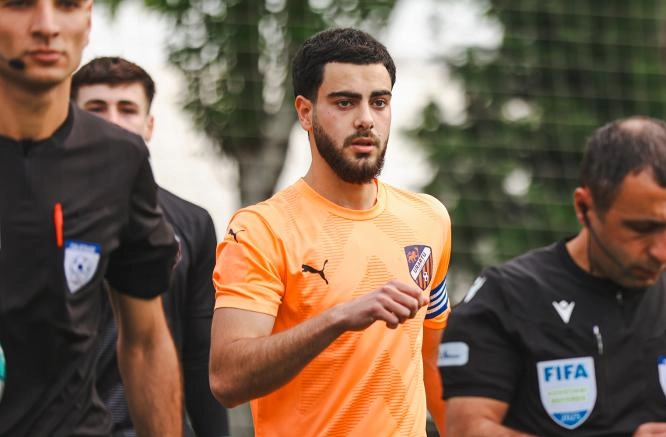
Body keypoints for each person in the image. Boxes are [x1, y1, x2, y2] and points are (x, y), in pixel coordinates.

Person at [209, 27, 452, 436]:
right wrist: (337, 318)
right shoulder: (260, 230)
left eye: (379, 102)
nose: (366, 119)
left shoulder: (429, 218)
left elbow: (435, 360)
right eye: (345, 102)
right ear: (305, 112)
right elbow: (226, 378)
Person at [439, 116, 666, 436]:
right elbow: (467, 429)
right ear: (584, 207)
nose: (664, 251)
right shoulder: (507, 297)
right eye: (642, 228)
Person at [0, 1, 183, 436]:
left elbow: (145, 342)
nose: (46, 26)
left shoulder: (119, 159)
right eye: (20, 3)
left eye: (66, 5)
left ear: (87, 19)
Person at [71, 57, 229, 437]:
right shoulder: (34, 213)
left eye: (127, 109)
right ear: (71, 120)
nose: (112, 121)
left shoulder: (192, 222)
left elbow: (198, 354)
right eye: (96, 108)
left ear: (149, 125)